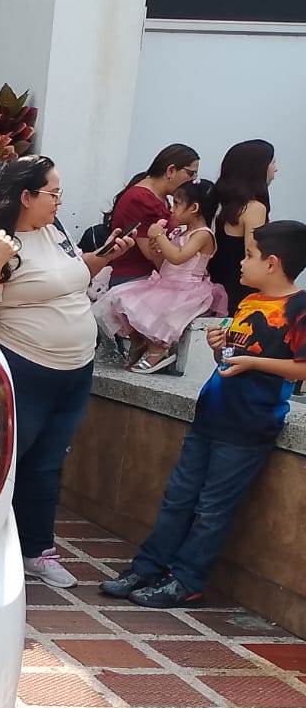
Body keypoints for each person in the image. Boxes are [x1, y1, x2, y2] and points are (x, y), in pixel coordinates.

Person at [101, 221, 306, 608]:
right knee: (177, 498)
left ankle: (187, 580)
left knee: (212, 509)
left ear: (273, 263)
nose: (241, 262)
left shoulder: (298, 308)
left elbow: (301, 368)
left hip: (248, 425)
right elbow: (230, 359)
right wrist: (218, 348)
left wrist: (253, 363)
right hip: (211, 415)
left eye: (249, 255)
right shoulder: (249, 302)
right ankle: (148, 567)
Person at [0, 155, 133, 588]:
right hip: (23, 369)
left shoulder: (54, 232)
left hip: (74, 371)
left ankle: (37, 551)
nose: (59, 200)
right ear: (25, 196)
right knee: (4, 464)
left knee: (48, 464)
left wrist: (106, 257)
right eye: (53, 193)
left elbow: (69, 277)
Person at [92, 179, 227, 373]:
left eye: (177, 204)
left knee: (158, 311)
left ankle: (158, 350)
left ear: (194, 208)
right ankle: (139, 340)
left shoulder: (203, 235)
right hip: (165, 282)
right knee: (119, 297)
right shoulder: (181, 233)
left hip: (186, 289)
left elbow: (178, 257)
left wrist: (159, 236)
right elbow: (164, 262)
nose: (171, 209)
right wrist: (157, 249)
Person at [99, 144, 199, 288]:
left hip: (152, 276)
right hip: (135, 279)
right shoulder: (141, 199)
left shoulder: (160, 197)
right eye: (191, 174)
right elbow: (152, 254)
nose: (193, 181)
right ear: (170, 171)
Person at [209, 139, 276, 315]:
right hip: (241, 296)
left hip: (216, 291)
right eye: (272, 163)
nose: (275, 169)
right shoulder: (254, 208)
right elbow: (255, 259)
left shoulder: (220, 204)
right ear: (257, 168)